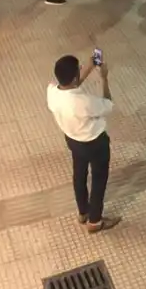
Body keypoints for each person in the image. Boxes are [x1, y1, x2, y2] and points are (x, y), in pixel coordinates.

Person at [47, 53, 120, 233]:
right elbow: (108, 105)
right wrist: (104, 78)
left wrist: (90, 66)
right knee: (98, 179)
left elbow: (72, 86)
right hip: (94, 143)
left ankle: (83, 211)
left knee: (79, 175)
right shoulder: (84, 102)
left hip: (73, 140)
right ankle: (95, 221)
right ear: (74, 77)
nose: (81, 69)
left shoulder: (52, 91)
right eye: (79, 69)